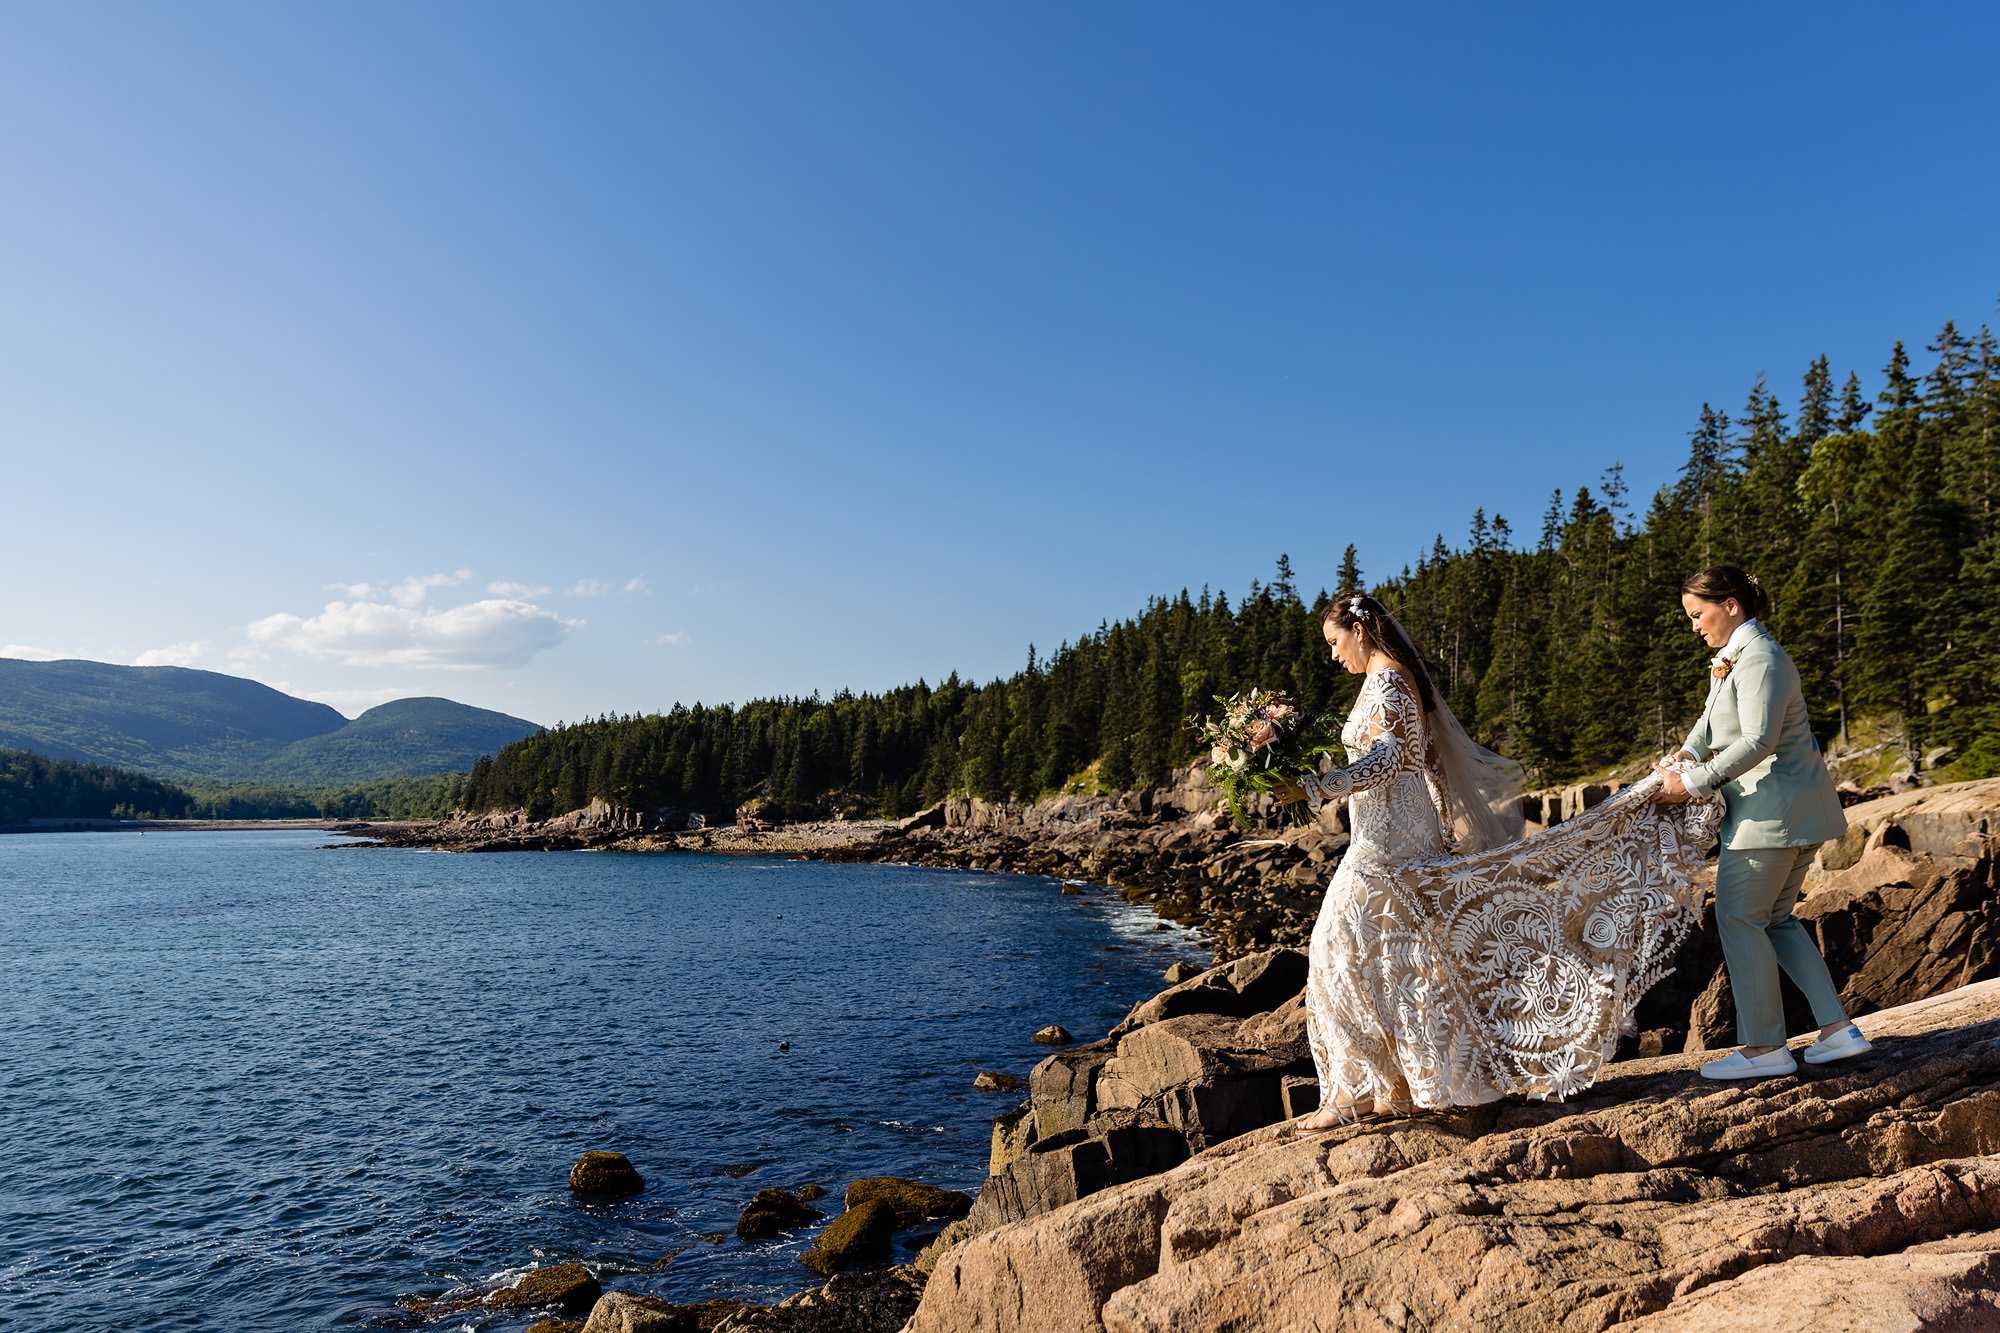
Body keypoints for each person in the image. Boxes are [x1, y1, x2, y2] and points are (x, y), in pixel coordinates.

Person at [1285, 593, 1721, 1129]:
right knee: (1396, 955)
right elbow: (1425, 764)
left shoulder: (1390, 680)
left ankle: (1353, 1093)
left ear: (1360, 630)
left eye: (1334, 642)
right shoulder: (1386, 682)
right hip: (1393, 831)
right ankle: (1396, 1085)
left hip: (1388, 840)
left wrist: (1318, 785)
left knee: (1336, 948)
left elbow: (1394, 757)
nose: (1333, 655)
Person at [1648, 565, 1869, 1079]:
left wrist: (1694, 783)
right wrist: (1684, 755)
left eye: (1697, 614)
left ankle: (1764, 1049)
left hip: (1770, 816)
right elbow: (1710, 723)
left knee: (1738, 917)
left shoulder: (1762, 658)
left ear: (1730, 605)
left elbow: (1758, 741)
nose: (1694, 625)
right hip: (1789, 814)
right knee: (1776, 920)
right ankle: (1839, 1033)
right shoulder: (1736, 658)